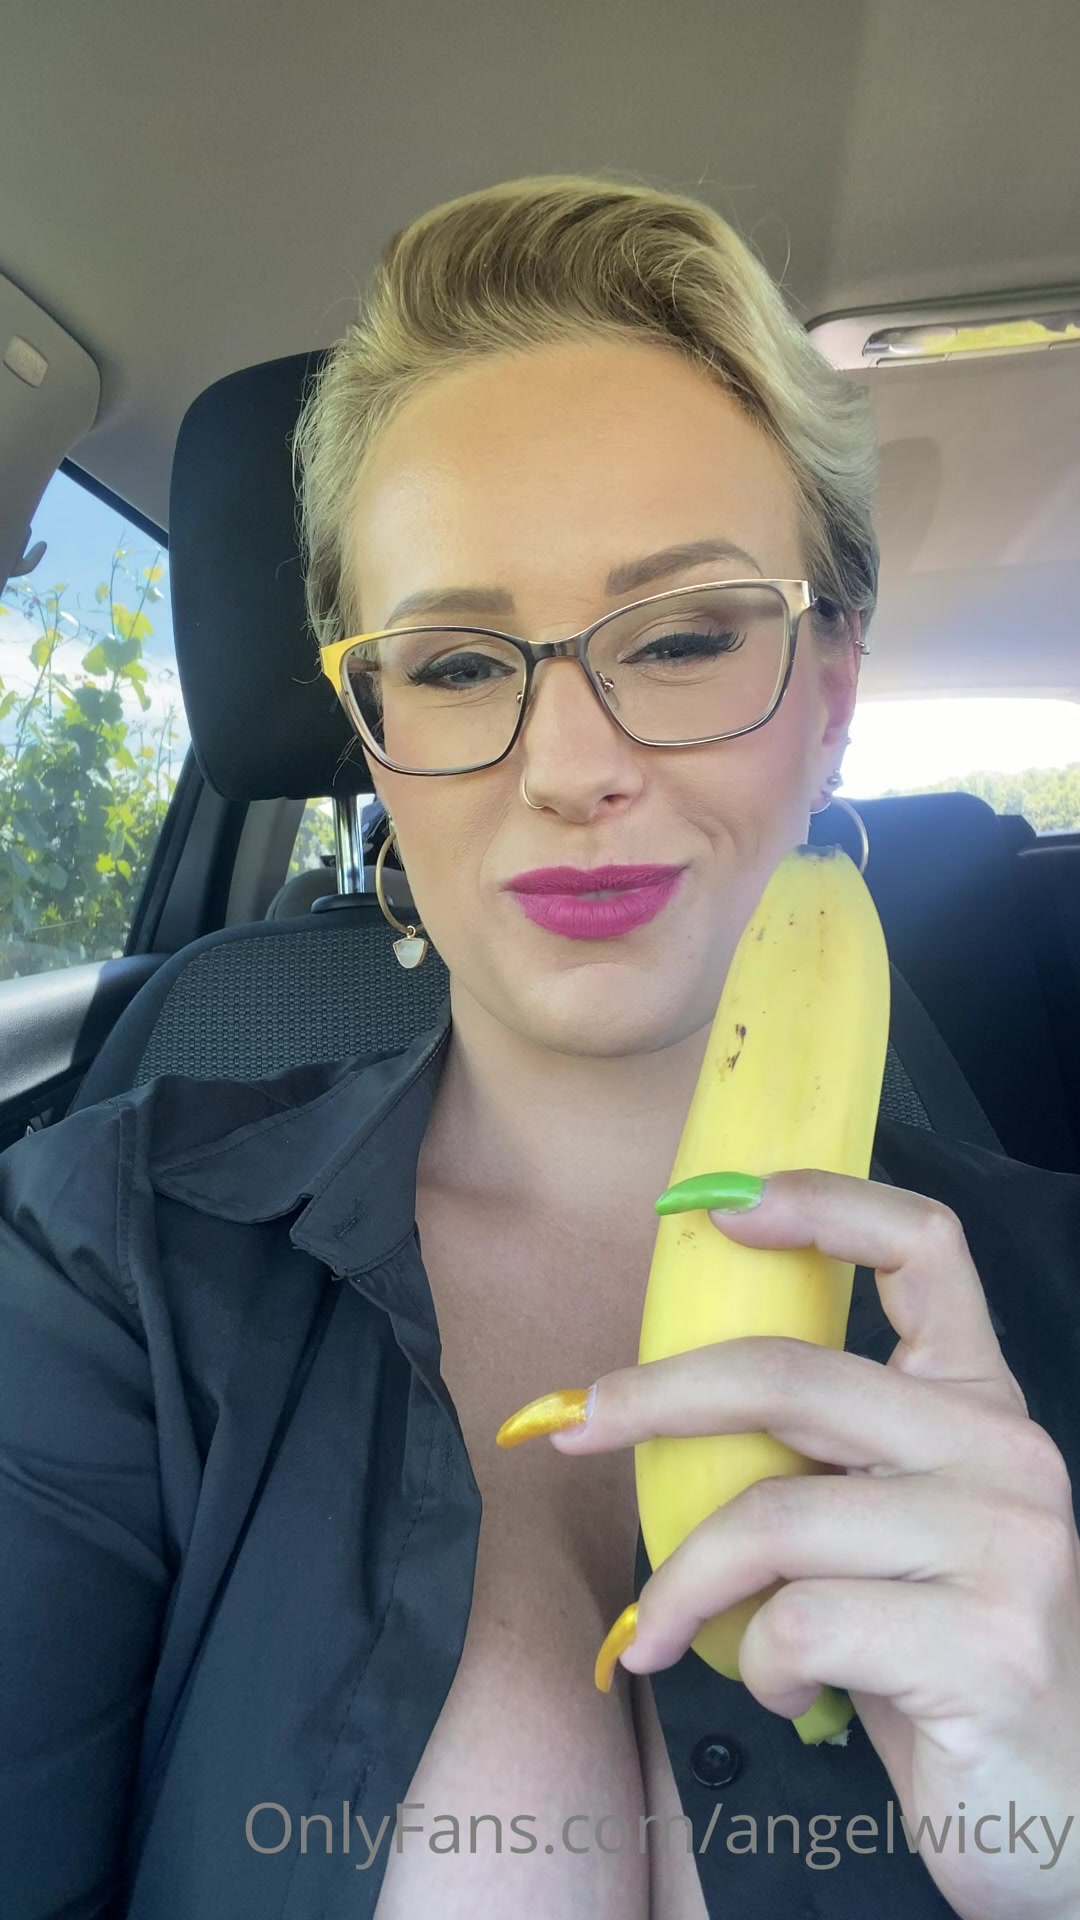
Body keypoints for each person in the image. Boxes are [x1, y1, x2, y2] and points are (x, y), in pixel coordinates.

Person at [2, 174, 1080, 1920]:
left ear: (832, 692)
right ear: (372, 728)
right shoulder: (103, 1258)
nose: (572, 766)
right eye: (454, 664)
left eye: (685, 637)